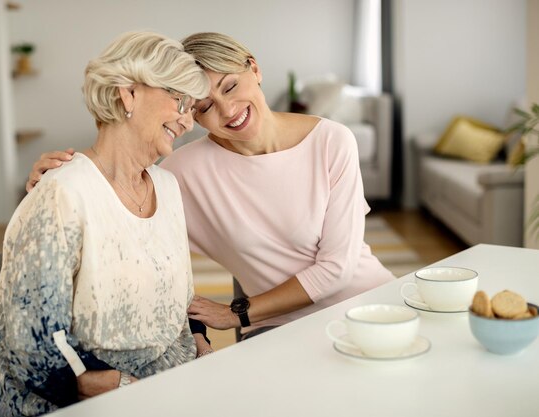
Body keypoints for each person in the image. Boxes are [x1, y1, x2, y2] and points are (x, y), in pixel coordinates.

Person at [26, 32, 395, 342]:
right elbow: (110, 210)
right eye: (203, 107)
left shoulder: (332, 140)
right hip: (281, 332)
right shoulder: (182, 172)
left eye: (230, 86)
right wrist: (51, 181)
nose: (228, 110)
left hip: (373, 304)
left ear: (254, 67)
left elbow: (338, 268)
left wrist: (236, 314)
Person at [0, 31, 212, 416]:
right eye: (180, 101)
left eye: (193, 109)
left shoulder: (168, 186)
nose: (188, 122)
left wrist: (203, 347)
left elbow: (178, 301)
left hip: (175, 387)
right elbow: (32, 347)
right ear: (128, 94)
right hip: (97, 399)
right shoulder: (63, 192)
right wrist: (133, 392)